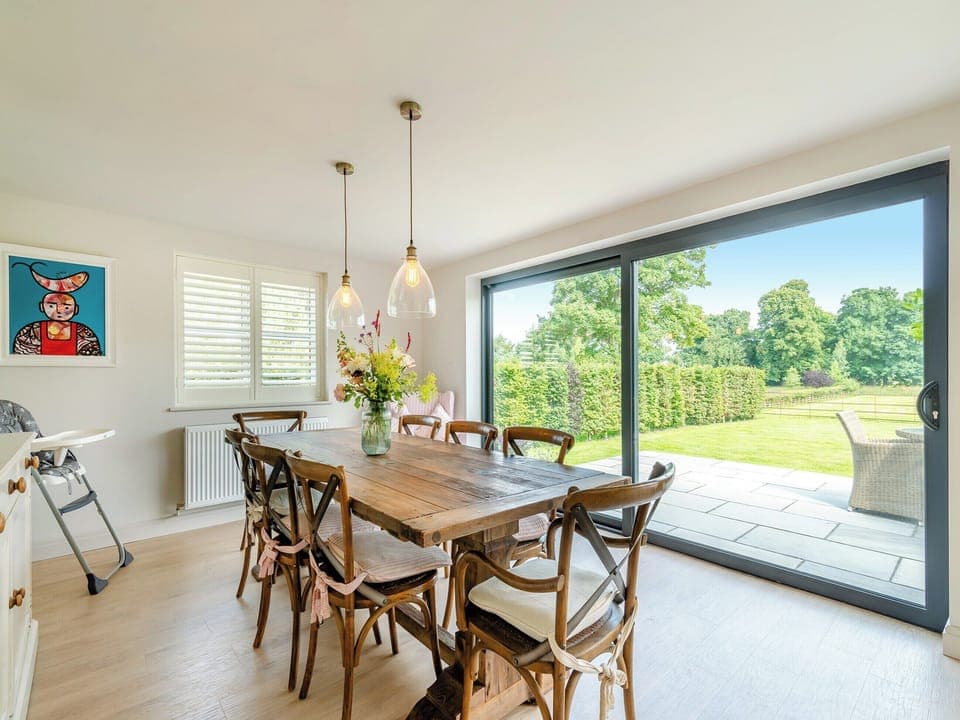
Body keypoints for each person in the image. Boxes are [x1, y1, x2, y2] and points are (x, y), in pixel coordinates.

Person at [12, 291, 102, 356]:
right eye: (51, 306)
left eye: (66, 307)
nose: (59, 311)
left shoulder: (82, 331)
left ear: (76, 309)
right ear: (42, 306)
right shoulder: (32, 330)